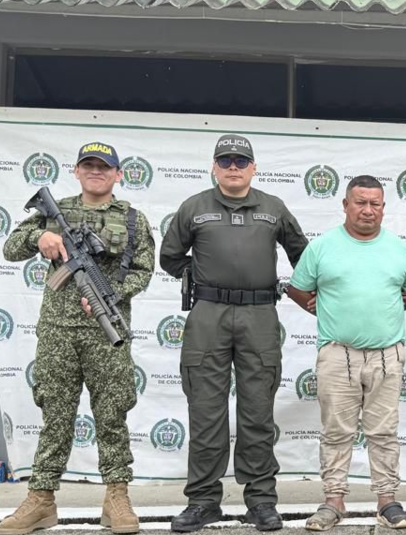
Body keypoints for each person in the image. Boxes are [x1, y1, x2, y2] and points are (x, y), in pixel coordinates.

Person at [0, 141, 155, 535]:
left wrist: (111, 293)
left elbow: (143, 270)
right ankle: (41, 499)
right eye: (89, 165)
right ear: (77, 170)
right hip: (58, 333)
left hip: (107, 331)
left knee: (112, 415)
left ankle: (116, 496)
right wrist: (40, 240)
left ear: (118, 174)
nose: (96, 171)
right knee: (55, 416)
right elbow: (9, 248)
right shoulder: (55, 214)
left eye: (104, 167)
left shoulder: (134, 220)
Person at [160, 134, 308, 533]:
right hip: (208, 315)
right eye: (225, 160)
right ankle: (203, 500)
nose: (233, 167)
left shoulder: (273, 208)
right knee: (205, 412)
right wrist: (201, 278)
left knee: (257, 412)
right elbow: (170, 256)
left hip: (259, 314)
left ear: (253, 168)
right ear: (214, 167)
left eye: (241, 161)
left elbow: (303, 255)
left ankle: (260, 500)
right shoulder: (194, 208)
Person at [285, 175, 406, 532]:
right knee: (336, 431)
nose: (367, 210)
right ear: (345, 205)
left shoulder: (399, 249)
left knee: (384, 431)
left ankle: (387, 501)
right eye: (360, 202)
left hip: (387, 355)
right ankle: (333, 501)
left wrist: (380, 315)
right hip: (337, 354)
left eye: (375, 203)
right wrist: (330, 312)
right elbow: (298, 289)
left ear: (383, 208)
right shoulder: (322, 247)